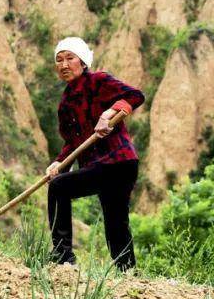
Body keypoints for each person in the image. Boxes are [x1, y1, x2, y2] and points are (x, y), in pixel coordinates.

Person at [45, 36, 145, 271]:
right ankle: (127, 270)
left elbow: (135, 96)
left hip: (119, 161)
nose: (64, 64)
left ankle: (63, 257)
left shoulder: (98, 81)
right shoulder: (66, 103)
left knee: (62, 189)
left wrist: (109, 113)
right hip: (97, 166)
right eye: (59, 60)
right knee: (114, 220)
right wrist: (58, 162)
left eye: (70, 58)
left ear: (83, 61)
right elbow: (74, 142)